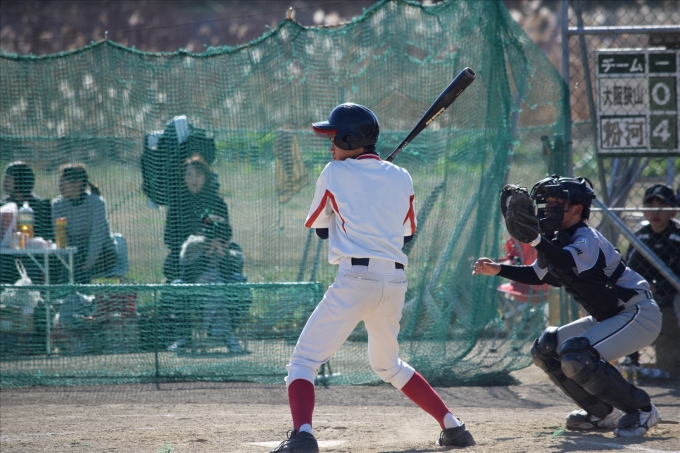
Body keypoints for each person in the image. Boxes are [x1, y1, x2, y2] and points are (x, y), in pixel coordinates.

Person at [269, 103, 475, 452]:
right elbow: (406, 233)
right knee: (387, 365)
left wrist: (353, 206)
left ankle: (302, 436)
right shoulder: (401, 176)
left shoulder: (334, 172)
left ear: (351, 139)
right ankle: (454, 427)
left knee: (303, 362)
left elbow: (320, 229)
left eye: (334, 137)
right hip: (393, 282)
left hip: (355, 280)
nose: (330, 145)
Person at [473, 175, 662, 438]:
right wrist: (498, 270)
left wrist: (537, 241)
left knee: (577, 353)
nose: (548, 209)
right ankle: (602, 412)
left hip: (638, 314)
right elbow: (538, 274)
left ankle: (641, 409)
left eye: (556, 203)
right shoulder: (557, 239)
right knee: (546, 348)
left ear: (577, 209)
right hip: (610, 318)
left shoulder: (587, 237)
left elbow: (564, 260)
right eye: (546, 203)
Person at [167, 214, 249, 353]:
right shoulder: (193, 244)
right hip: (195, 288)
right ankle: (186, 338)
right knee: (180, 285)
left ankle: (220, 334)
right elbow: (188, 274)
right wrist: (208, 252)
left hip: (223, 290)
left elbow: (234, 272)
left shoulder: (233, 247)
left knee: (221, 285)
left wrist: (223, 253)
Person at [623, 184, 680, 379]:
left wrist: (660, 286)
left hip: (675, 291)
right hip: (650, 291)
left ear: (673, 210)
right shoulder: (641, 236)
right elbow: (630, 269)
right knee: (626, 300)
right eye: (650, 206)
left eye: (662, 206)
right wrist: (645, 285)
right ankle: (631, 359)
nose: (656, 211)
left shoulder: (677, 235)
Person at [163, 154, 230, 282]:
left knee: (233, 257)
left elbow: (226, 231)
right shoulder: (177, 203)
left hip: (215, 252)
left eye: (198, 175)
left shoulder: (217, 202)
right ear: (183, 178)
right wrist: (197, 243)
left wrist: (216, 241)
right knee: (173, 268)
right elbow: (169, 238)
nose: (194, 180)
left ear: (206, 177)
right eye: (189, 175)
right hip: (186, 256)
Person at [51, 163, 116, 283]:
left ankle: (76, 292)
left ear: (78, 183)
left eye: (64, 182)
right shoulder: (57, 205)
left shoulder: (97, 203)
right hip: (72, 255)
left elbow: (97, 238)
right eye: (60, 182)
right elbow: (61, 237)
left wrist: (88, 263)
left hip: (102, 255)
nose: (60, 186)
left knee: (78, 259)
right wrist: (67, 260)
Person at [1, 161, 54, 283]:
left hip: (33, 255)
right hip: (6, 255)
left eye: (8, 178)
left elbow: (46, 235)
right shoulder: (4, 206)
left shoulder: (41, 205)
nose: (4, 182)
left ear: (20, 180)